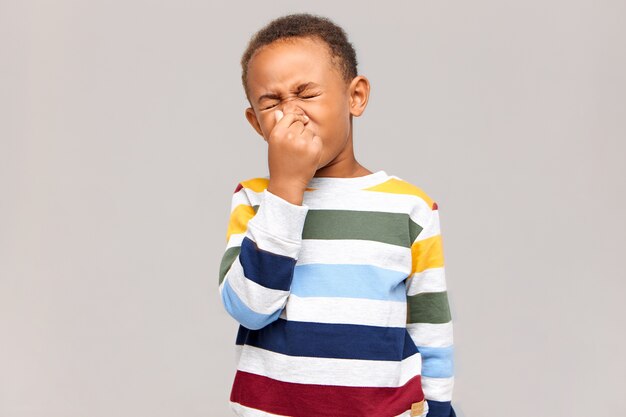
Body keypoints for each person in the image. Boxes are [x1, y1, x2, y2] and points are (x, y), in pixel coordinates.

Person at [218, 12, 456, 417]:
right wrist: (286, 189)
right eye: (271, 103)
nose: (291, 114)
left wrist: (439, 407)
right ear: (256, 124)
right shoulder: (256, 200)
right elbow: (250, 308)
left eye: (306, 94)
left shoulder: (410, 208)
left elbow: (430, 329)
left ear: (355, 97)